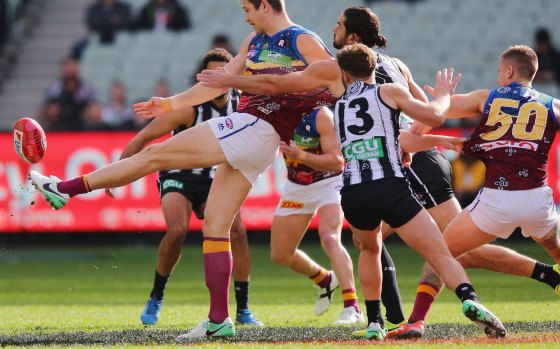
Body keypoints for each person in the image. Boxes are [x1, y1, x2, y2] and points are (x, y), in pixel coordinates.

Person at [198, 6, 560, 339]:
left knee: (446, 247)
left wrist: (420, 143)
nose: (331, 30)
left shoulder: (342, 73)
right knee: (382, 243)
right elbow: (422, 108)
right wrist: (432, 139)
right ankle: (395, 319)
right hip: (402, 157)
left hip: (401, 163)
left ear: (353, 37)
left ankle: (544, 277)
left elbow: (410, 120)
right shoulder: (396, 65)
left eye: (337, 25)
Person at [30, 0, 338, 339]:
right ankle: (219, 321)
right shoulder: (253, 43)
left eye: (247, 10)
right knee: (215, 226)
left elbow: (333, 78)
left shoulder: (302, 39)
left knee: (156, 155)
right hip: (259, 141)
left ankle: (64, 189)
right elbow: (218, 84)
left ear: (265, 5)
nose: (246, 17)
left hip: (255, 126)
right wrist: (170, 103)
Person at [412, 44, 560, 339]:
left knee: (441, 254)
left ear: (508, 70)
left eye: (499, 71)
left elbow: (436, 113)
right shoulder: (556, 106)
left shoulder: (486, 98)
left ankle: (416, 322)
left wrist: (440, 97)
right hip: (537, 199)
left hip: (496, 199)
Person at [334, 43, 506, 340]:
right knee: (440, 253)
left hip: (353, 192)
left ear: (344, 74)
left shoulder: (338, 106)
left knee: (370, 248)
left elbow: (388, 140)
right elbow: (433, 115)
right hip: (389, 187)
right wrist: (443, 96)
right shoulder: (388, 92)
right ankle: (469, 299)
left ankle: (374, 322)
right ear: (374, 69)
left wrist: (433, 141)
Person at [102, 49, 262, 327]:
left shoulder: (244, 105)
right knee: (177, 230)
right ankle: (157, 295)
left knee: (237, 231)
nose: (218, 81)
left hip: (216, 177)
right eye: (211, 77)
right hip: (179, 175)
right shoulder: (190, 108)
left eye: (223, 75)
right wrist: (116, 174)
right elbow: (145, 137)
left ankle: (244, 307)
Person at [270, 106, 363, 325]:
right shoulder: (272, 111)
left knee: (330, 238)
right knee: (280, 255)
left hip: (330, 181)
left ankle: (353, 308)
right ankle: (325, 279)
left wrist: (300, 154)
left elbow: (337, 161)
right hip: (297, 186)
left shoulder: (320, 115)